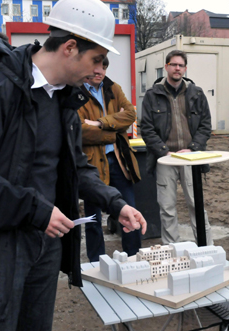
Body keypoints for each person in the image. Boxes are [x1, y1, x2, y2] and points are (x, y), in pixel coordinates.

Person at [0, 0, 147, 329]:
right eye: (96, 59)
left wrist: (115, 203)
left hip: (44, 247)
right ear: (70, 47)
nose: (99, 70)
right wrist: (36, 210)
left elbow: (76, 167)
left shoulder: (64, 100)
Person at [141, 50, 213, 245]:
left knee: (196, 204)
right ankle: (172, 250)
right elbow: (146, 129)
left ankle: (206, 247)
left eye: (181, 65)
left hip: (191, 158)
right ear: (166, 67)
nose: (177, 68)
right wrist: (164, 151)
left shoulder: (196, 94)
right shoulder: (152, 95)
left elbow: (206, 125)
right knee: (167, 208)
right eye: (173, 64)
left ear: (185, 68)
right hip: (165, 158)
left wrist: (193, 148)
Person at [78, 56, 141, 260]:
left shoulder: (113, 88)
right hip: (91, 164)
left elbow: (130, 115)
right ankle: (96, 264)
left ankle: (133, 258)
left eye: (103, 67)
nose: (99, 71)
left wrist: (99, 123)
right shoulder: (76, 92)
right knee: (92, 218)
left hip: (119, 160)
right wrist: (113, 130)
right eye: (95, 66)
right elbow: (78, 130)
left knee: (129, 211)